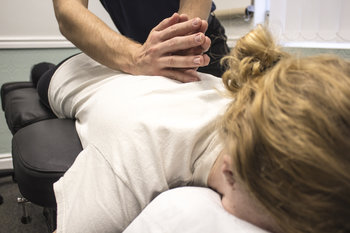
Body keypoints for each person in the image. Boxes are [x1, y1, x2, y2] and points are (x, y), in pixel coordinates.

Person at [43, 25, 349, 233]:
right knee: (43, 77)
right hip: (79, 73)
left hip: (145, 83)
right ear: (231, 173)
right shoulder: (134, 162)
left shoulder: (258, 105)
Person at [52, 0, 230, 82]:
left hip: (198, 48)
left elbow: (193, 7)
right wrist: (136, 57)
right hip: (135, 55)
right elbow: (67, 11)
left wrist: (180, 43)